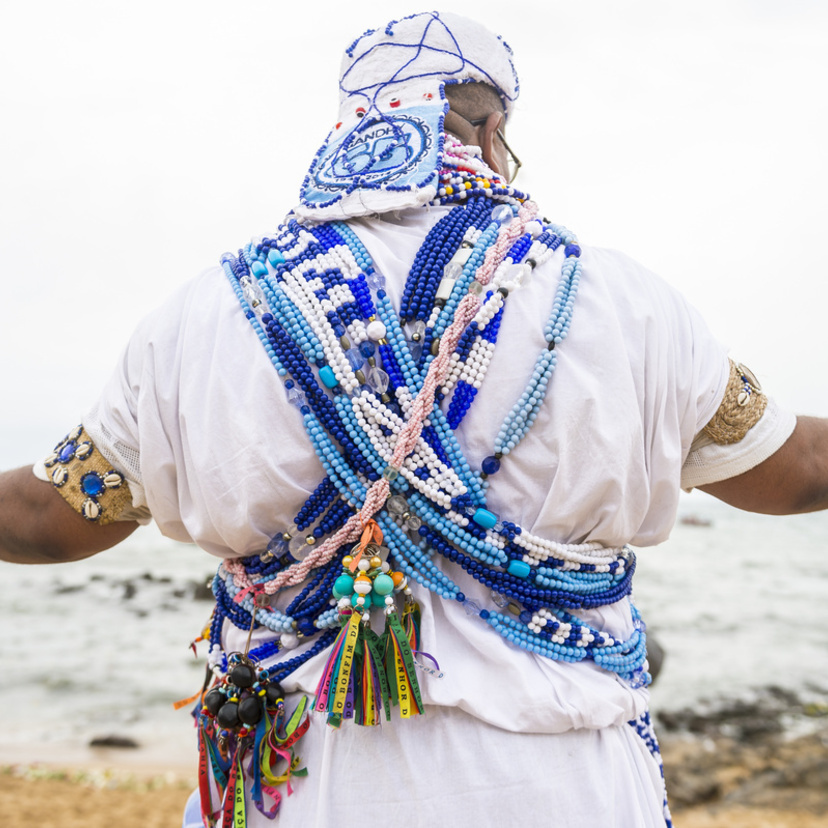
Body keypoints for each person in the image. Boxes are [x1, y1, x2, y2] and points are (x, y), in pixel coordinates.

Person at [2, 10, 827, 827]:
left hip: (293, 784)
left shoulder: (202, 317)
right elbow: (793, 471)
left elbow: (49, 519)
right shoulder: (626, 307)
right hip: (566, 789)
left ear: (353, 122)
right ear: (493, 126)